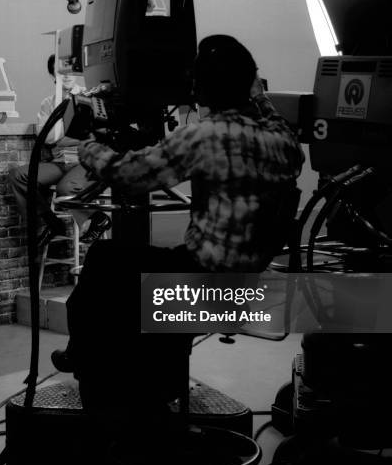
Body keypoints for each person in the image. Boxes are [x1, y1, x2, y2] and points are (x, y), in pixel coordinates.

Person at [51, 35, 305, 410]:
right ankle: (133, 381)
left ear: (199, 88)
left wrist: (89, 146)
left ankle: (90, 366)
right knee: (137, 264)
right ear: (250, 83)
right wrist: (252, 83)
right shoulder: (283, 140)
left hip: (204, 284)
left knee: (105, 259)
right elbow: (269, 113)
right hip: (249, 281)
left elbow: (130, 175)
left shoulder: (204, 136)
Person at [8, 54, 111, 248]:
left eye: (70, 70)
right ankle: (52, 223)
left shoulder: (89, 96)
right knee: (19, 176)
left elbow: (96, 134)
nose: (66, 75)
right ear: (52, 75)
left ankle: (94, 220)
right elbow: (47, 138)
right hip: (60, 163)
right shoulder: (48, 103)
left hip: (84, 161)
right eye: (60, 71)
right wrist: (71, 134)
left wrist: (62, 137)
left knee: (66, 188)